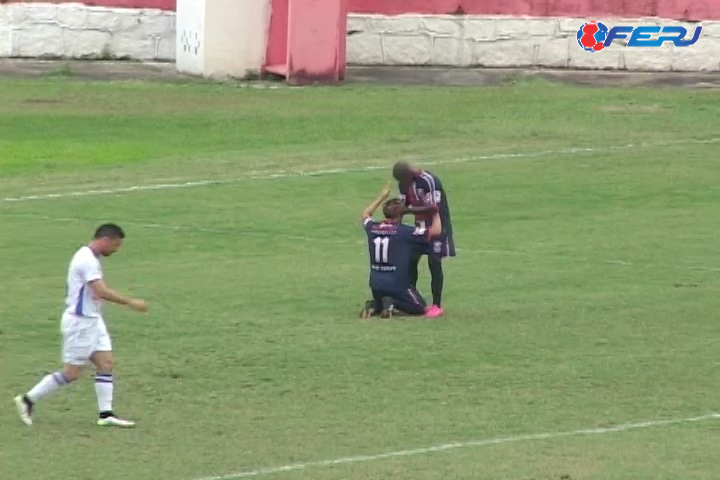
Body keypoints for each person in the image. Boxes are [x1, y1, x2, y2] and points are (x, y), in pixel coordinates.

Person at [14, 223, 149, 428]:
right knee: (72, 373)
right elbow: (100, 291)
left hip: (93, 320)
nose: (116, 250)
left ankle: (106, 415)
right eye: (115, 245)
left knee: (106, 363)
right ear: (105, 240)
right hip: (80, 323)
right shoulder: (86, 260)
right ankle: (27, 400)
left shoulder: (91, 257)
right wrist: (130, 302)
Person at [359, 183, 443, 319]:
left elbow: (365, 214)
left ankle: (376, 304)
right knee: (420, 308)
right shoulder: (405, 232)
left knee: (382, 295)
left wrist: (382, 196)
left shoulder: (373, 228)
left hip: (375, 284)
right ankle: (391, 302)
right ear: (401, 214)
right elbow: (436, 231)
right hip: (397, 285)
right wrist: (435, 213)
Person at [393, 162, 455, 317]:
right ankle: (413, 301)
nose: (403, 184)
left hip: (437, 226)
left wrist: (408, 210)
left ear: (409, 174)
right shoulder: (403, 184)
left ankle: (437, 305)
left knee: (434, 262)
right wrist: (395, 227)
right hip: (419, 228)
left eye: (404, 180)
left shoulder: (429, 181)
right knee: (410, 261)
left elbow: (434, 208)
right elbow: (402, 206)